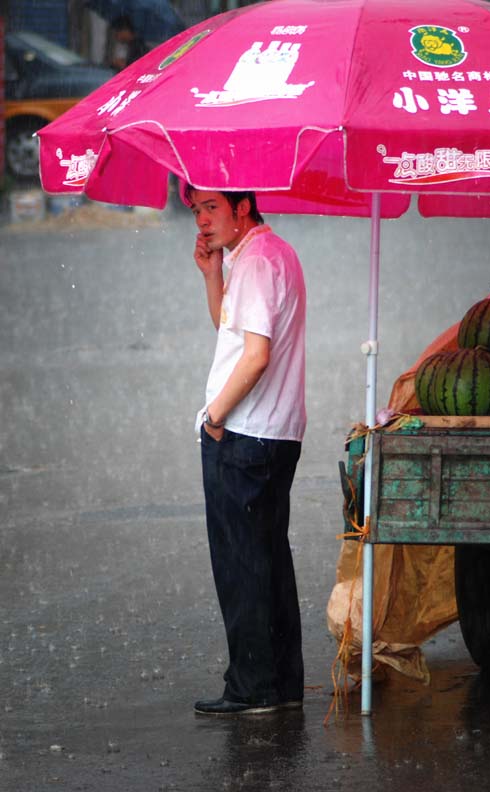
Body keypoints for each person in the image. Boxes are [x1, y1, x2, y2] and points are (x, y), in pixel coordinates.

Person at [187, 186, 307, 716]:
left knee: (241, 564)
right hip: (274, 432)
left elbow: (255, 358)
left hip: (245, 432)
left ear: (242, 207)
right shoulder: (269, 252)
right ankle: (281, 684)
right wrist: (213, 275)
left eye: (211, 208)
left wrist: (214, 418)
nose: (202, 221)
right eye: (196, 211)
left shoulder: (257, 261)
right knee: (267, 559)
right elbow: (230, 333)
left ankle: (252, 686)